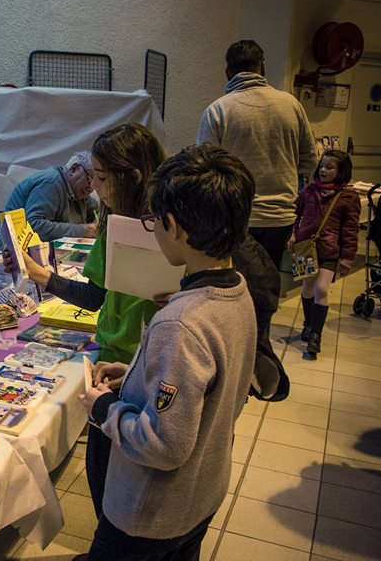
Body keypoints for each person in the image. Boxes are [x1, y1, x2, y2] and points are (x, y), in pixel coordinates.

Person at [79, 145, 257, 561]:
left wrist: (104, 407)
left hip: (149, 513)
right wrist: (138, 376)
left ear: (173, 226)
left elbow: (163, 445)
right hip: (201, 493)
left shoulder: (179, 322)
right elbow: (210, 390)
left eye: (153, 220)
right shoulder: (236, 291)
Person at [4, 123, 166, 518]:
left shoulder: (166, 225)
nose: (97, 189)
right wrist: (40, 274)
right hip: (112, 357)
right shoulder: (115, 220)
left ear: (134, 176)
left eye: (103, 178)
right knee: (103, 472)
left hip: (147, 364)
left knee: (129, 481)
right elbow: (96, 295)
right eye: (93, 177)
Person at [197, 39, 317, 269]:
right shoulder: (292, 105)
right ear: (262, 68)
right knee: (269, 283)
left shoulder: (218, 110)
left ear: (227, 72)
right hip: (281, 216)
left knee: (236, 285)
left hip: (235, 218)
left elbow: (205, 170)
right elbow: (310, 160)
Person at [288, 150, 360, 359]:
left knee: (321, 288)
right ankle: (308, 324)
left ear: (341, 171)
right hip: (304, 247)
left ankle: (315, 336)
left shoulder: (348, 197)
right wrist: (293, 234)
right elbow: (296, 214)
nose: (324, 170)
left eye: (330, 167)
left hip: (329, 251)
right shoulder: (309, 191)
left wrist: (347, 258)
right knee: (307, 287)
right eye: (322, 166)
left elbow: (351, 229)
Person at [0, 151, 101, 245]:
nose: (92, 187)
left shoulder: (79, 192)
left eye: (98, 181)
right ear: (74, 169)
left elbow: (98, 211)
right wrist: (84, 230)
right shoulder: (51, 183)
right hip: (11, 254)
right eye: (90, 179)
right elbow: (34, 226)